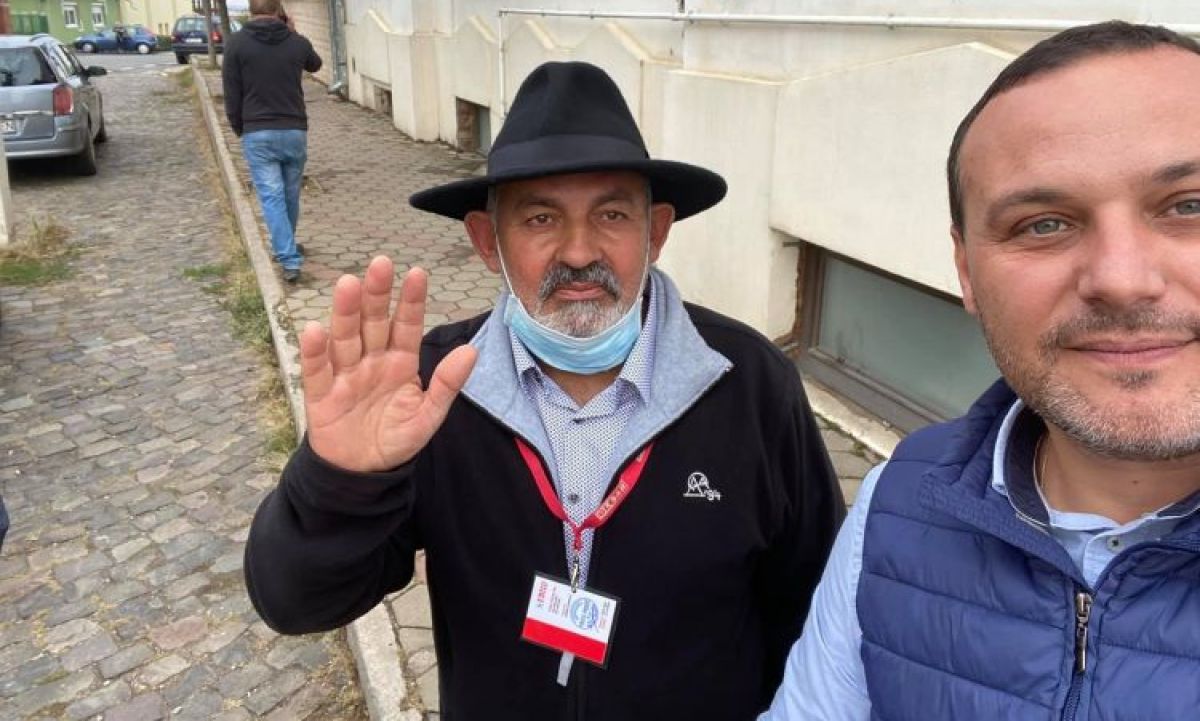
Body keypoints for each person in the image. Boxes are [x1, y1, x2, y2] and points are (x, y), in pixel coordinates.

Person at [245, 61, 844, 720]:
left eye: (611, 213)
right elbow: (296, 602)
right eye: (539, 218)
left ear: (656, 232)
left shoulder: (751, 384)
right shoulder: (430, 391)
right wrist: (340, 482)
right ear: (487, 241)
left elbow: (819, 617)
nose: (579, 252)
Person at [763, 20, 1200, 721]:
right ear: (966, 271)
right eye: (1044, 223)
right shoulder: (899, 500)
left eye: (1189, 206)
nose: (1121, 279)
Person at [221, 0, 321, 283]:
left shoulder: (236, 44)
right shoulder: (296, 42)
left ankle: (288, 256)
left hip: (258, 131)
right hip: (293, 130)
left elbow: (231, 92)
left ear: (251, 10)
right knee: (290, 194)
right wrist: (294, 32)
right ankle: (286, 245)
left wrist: (239, 127)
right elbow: (315, 64)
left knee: (271, 196)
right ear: (279, 11)